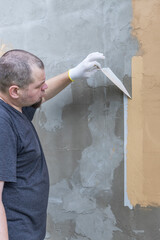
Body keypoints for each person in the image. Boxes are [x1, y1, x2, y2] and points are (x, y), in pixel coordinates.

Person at [0, 49, 105, 240]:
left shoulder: (16, 106)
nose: (45, 87)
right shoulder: (2, 124)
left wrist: (73, 74)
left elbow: (42, 96)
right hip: (16, 232)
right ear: (15, 91)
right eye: (40, 85)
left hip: (29, 227)